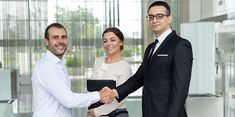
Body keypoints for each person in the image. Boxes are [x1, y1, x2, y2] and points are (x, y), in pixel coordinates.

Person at [104, 1, 193, 117]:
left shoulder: (180, 45)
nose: (154, 20)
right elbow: (138, 78)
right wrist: (114, 92)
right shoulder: (150, 48)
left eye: (159, 16)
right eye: (151, 17)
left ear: (169, 19)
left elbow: (181, 89)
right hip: (149, 111)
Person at [31, 23, 111, 117]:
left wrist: (90, 93)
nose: (61, 41)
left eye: (63, 37)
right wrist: (99, 95)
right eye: (55, 37)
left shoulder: (58, 64)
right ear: (46, 42)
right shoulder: (46, 66)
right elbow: (68, 100)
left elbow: (65, 94)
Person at [87, 27, 132, 117]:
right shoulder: (99, 61)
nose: (108, 44)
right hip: (94, 110)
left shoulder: (125, 67)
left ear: (121, 42)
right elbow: (91, 87)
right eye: (105, 41)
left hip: (115, 113)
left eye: (112, 40)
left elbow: (121, 98)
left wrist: (96, 112)